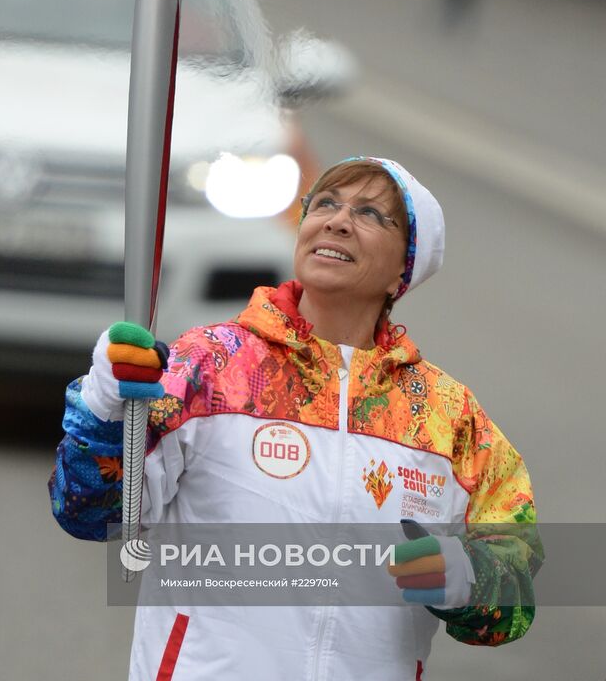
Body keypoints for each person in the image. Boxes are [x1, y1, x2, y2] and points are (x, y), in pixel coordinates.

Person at [49, 156, 542, 680]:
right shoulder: (210, 367)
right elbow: (89, 512)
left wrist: (466, 576)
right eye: (324, 203)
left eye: (372, 214)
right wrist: (103, 408)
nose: (337, 220)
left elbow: (515, 587)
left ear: (406, 265)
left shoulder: (447, 419)